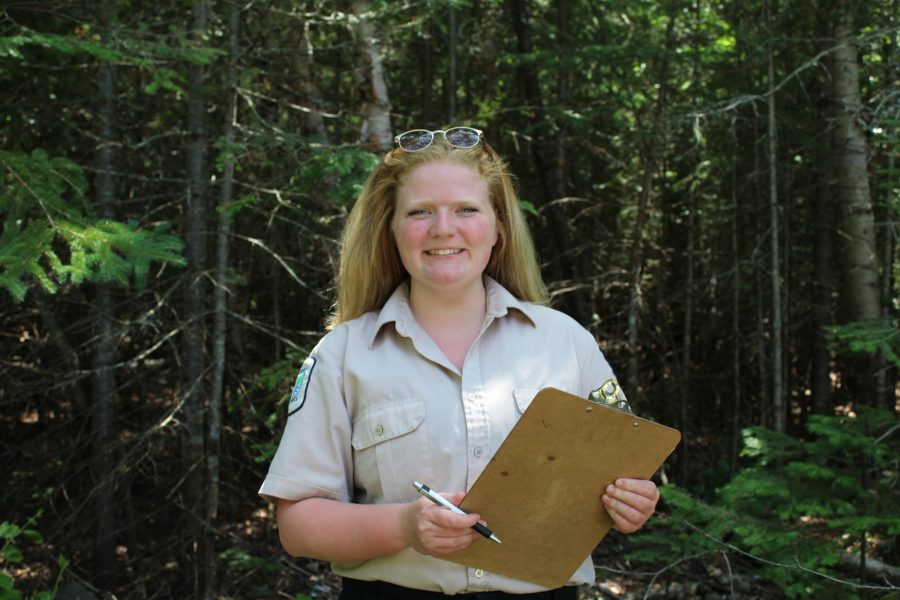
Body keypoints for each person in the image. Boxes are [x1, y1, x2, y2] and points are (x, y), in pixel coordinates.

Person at [259, 127, 660, 600]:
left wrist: (632, 502)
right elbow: (299, 526)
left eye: (466, 209)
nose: (443, 228)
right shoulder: (343, 355)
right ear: (390, 231)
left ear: (499, 227)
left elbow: (620, 474)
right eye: (419, 212)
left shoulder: (565, 342)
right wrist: (407, 526)